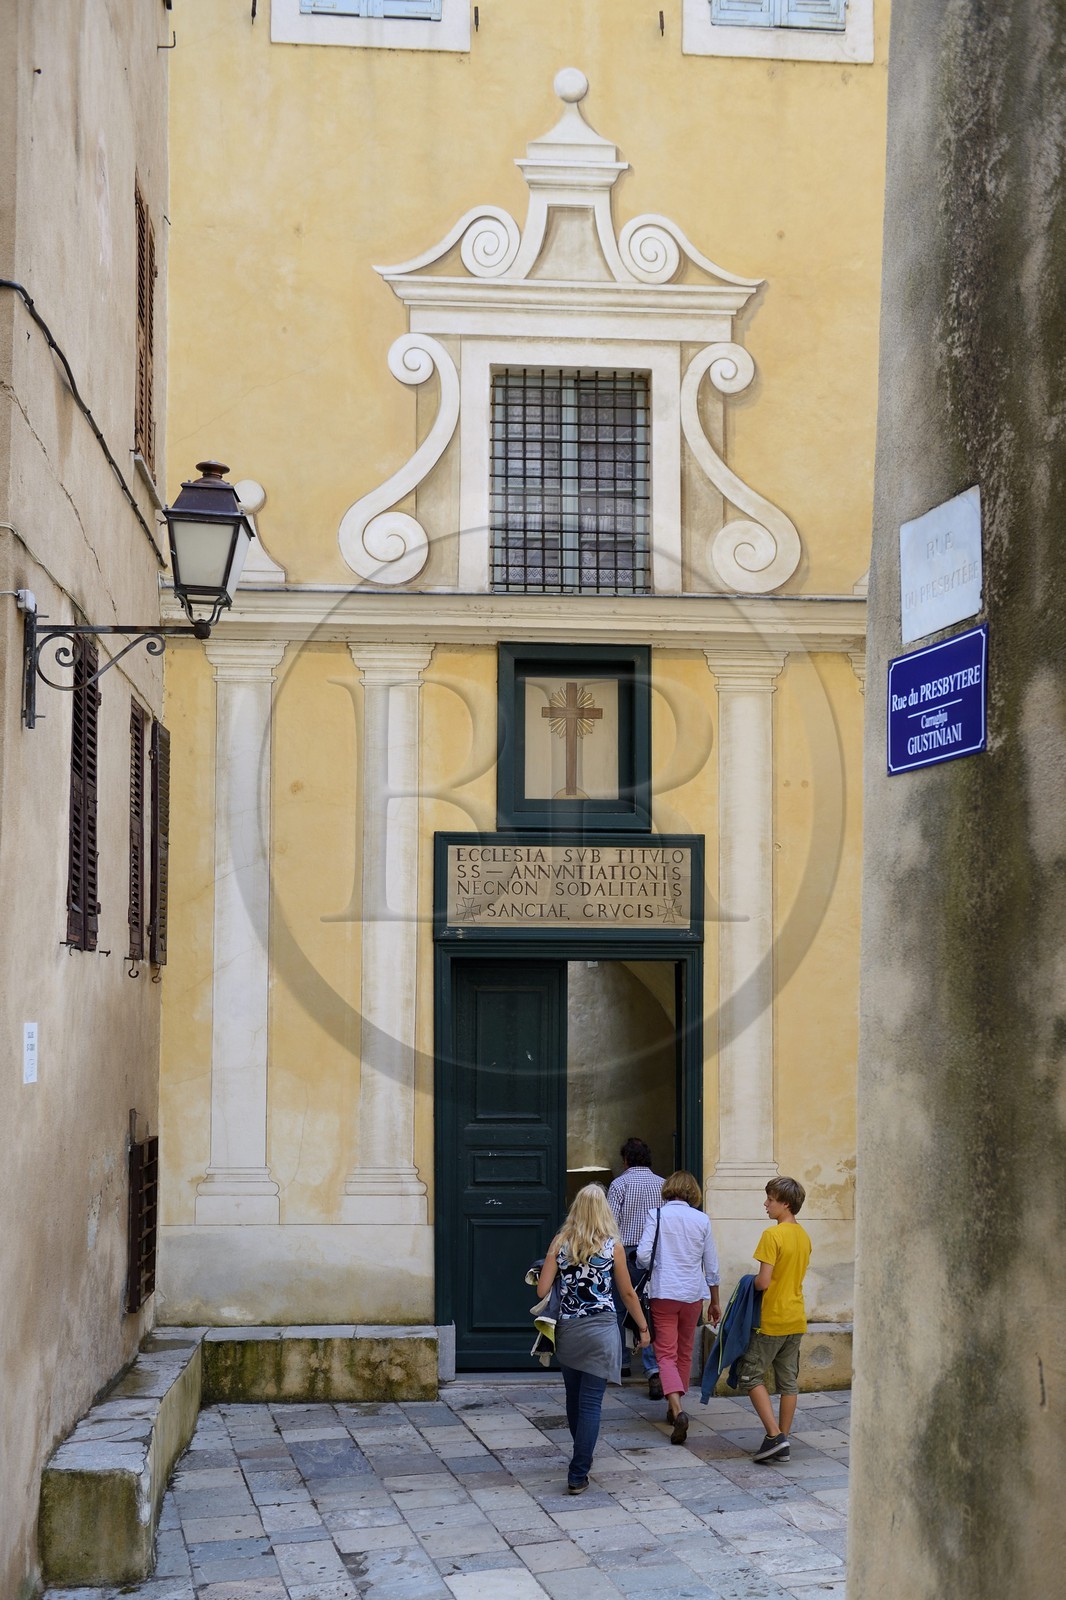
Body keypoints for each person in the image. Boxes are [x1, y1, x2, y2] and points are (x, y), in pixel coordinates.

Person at [537, 1184, 651, 1495]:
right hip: (602, 1331)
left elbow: (541, 1289)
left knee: (573, 1398)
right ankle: (578, 1471)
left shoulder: (560, 1243)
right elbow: (627, 1293)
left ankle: (581, 1459)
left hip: (569, 1331)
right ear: (604, 1212)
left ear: (575, 1209)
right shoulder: (613, 1247)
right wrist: (643, 1327)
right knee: (590, 1403)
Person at [636, 1170, 721, 1446]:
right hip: (693, 1294)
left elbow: (643, 1255)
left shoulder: (657, 1215)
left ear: (669, 1189)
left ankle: (677, 1409)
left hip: (664, 1292)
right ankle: (675, 1409)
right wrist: (715, 1301)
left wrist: (656, 1266)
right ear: (692, 1192)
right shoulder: (702, 1219)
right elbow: (712, 1265)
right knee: (684, 1353)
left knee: (665, 1354)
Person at [733, 1176, 812, 1463]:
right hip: (796, 1317)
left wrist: (747, 1282)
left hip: (772, 1319)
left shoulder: (772, 1235)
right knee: (788, 1381)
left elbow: (763, 1282)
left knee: (750, 1375)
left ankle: (774, 1435)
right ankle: (782, 1440)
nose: (765, 1204)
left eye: (771, 1199)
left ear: (785, 1204)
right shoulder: (803, 1236)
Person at [606, 1137, 665, 1398]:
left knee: (620, 1307)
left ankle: (622, 1363)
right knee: (649, 1309)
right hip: (654, 1254)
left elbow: (609, 1223)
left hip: (625, 1253)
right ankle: (653, 1368)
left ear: (626, 1160)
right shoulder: (663, 1184)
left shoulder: (619, 1184)